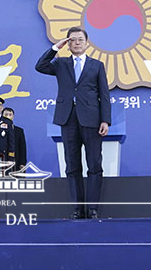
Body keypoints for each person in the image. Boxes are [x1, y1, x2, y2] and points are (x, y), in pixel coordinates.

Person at [35, 27, 111, 219]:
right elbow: (40, 66)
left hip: (92, 120)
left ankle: (92, 208)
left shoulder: (97, 65)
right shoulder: (61, 63)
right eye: (72, 40)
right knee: (72, 165)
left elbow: (104, 95)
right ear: (67, 44)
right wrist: (55, 48)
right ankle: (78, 208)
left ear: (87, 43)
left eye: (79, 40)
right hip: (67, 119)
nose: (76, 43)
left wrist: (105, 120)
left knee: (94, 164)